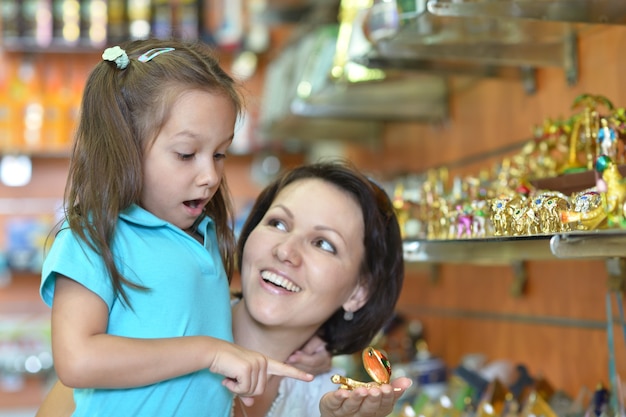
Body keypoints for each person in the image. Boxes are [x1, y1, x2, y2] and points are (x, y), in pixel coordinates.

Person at [39, 38, 311, 417]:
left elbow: (184, 319)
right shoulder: (93, 238)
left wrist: (294, 344)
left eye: (219, 154)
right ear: (125, 147)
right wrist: (209, 352)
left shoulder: (205, 236)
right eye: (186, 154)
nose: (210, 175)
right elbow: (77, 360)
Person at [37, 161, 412, 417]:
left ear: (359, 292)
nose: (286, 251)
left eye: (323, 244)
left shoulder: (321, 402)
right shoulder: (156, 336)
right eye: (279, 224)